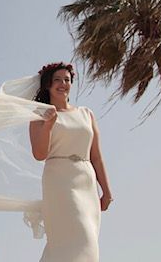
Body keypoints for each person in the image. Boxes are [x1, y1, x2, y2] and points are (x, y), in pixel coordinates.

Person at [29, 62, 113, 261]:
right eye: (57, 80)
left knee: (88, 239)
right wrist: (48, 125)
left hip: (86, 181)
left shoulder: (86, 114)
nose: (62, 84)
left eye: (67, 80)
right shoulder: (38, 115)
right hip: (59, 181)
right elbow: (39, 154)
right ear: (48, 85)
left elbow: (97, 157)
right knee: (79, 237)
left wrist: (107, 191)